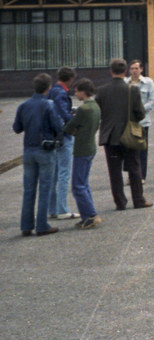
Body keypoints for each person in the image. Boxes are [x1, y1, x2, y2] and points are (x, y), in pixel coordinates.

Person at [94, 58, 152, 211]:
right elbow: (140, 113)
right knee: (134, 167)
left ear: (111, 71)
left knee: (114, 171)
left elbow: (98, 112)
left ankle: (120, 202)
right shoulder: (132, 90)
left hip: (110, 136)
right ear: (125, 71)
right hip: (128, 135)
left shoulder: (101, 90)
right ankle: (138, 200)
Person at [14, 73, 65, 236]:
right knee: (45, 188)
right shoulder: (48, 104)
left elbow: (17, 128)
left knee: (29, 189)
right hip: (45, 149)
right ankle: (42, 225)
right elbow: (58, 126)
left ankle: (26, 225)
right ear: (48, 88)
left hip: (28, 150)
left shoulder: (23, 105)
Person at [63, 78, 102, 229]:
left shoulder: (83, 109)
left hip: (81, 148)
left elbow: (69, 127)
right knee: (84, 183)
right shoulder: (96, 107)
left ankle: (91, 214)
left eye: (77, 90)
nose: (75, 93)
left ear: (83, 91)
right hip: (90, 146)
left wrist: (74, 129)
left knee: (78, 185)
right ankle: (87, 215)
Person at [47, 66, 77, 220]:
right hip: (63, 135)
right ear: (71, 79)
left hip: (52, 136)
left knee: (54, 173)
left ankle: (52, 208)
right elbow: (63, 113)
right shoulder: (61, 93)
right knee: (64, 173)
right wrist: (73, 123)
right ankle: (62, 209)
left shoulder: (52, 91)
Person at [125, 60, 154, 182]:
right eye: (132, 68)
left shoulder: (148, 83)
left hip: (142, 122)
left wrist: (141, 110)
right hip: (128, 122)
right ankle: (131, 176)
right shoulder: (125, 83)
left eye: (136, 68)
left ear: (141, 70)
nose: (134, 71)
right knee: (129, 150)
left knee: (142, 150)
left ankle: (141, 176)